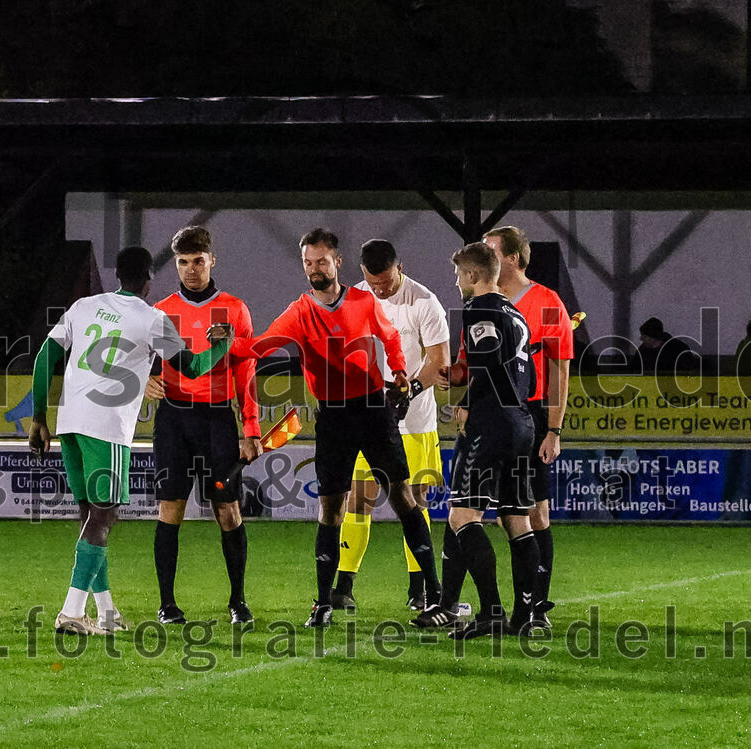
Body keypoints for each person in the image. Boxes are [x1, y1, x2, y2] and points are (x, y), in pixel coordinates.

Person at [230, 228, 442, 628]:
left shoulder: (362, 300)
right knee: (332, 508)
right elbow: (259, 348)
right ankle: (325, 601)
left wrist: (398, 371)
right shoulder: (299, 311)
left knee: (403, 497)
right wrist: (230, 345)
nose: (314, 269)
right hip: (333, 418)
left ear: (337, 262)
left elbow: (390, 336)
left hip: (374, 410)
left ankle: (434, 593)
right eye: (308, 263)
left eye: (321, 262)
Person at [29, 245, 232, 636]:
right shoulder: (153, 319)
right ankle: (71, 611)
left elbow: (43, 357)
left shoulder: (83, 306)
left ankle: (105, 612)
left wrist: (38, 417)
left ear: (118, 274)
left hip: (69, 423)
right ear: (149, 280)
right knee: (104, 515)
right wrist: (221, 345)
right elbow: (191, 367)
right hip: (107, 428)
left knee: (90, 516)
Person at [415, 241, 540, 639]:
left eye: (458, 275)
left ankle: (490, 612)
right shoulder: (514, 311)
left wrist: (467, 403)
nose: (456, 282)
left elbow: (484, 365)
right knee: (516, 518)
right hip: (522, 421)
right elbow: (530, 376)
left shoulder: (479, 309)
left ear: (472, 276)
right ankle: (527, 615)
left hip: (492, 424)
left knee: (461, 515)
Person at [145, 227, 262, 626]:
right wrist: (141, 379)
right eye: (183, 262)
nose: (191, 270)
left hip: (216, 417)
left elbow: (246, 370)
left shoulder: (234, 309)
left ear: (212, 260)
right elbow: (132, 358)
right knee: (169, 508)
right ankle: (167, 604)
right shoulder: (160, 311)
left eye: (198, 261)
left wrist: (251, 428)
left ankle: (238, 601)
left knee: (227, 510)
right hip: (174, 418)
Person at [330, 239, 450, 612]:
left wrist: (409, 389)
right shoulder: (354, 300)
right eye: (373, 281)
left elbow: (439, 360)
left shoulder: (424, 302)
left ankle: (420, 588)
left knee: (414, 501)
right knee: (359, 498)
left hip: (414, 421)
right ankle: (344, 586)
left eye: (385, 281)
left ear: (399, 267)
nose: (379, 289)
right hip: (368, 418)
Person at [631, 316, 696, 374]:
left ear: (652, 338)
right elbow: (634, 369)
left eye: (644, 336)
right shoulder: (642, 350)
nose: (641, 338)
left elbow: (689, 371)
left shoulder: (678, 348)